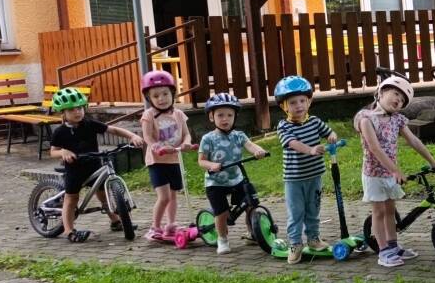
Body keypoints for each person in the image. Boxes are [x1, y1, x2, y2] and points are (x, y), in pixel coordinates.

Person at [357, 75, 435, 268]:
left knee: (390, 211)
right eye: (396, 94)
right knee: (379, 212)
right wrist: (395, 170)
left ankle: (393, 246)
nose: (399, 100)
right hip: (373, 175)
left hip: (390, 174)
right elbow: (375, 148)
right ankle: (383, 252)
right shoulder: (366, 119)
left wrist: (432, 161)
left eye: (403, 100)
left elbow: (413, 141)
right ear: (381, 92)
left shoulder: (397, 119)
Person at [47, 87, 144, 242]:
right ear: (63, 113)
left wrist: (132, 136)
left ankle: (116, 221)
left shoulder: (89, 124)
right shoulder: (60, 132)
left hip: (94, 165)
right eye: (71, 110)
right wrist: (63, 152)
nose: (77, 112)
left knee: (104, 195)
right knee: (71, 198)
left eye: (79, 108)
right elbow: (52, 152)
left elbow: (113, 130)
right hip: (75, 169)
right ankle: (68, 230)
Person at [274, 75, 339, 263]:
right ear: (284, 106)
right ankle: (295, 244)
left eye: (302, 101)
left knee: (313, 210)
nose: (299, 106)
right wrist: (310, 150)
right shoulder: (284, 126)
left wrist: (332, 136)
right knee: (296, 213)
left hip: (314, 175)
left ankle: (313, 239)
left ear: (309, 102)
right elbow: (292, 143)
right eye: (293, 102)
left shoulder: (315, 121)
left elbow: (329, 132)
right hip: (294, 179)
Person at [196, 93, 267, 254]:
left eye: (229, 115)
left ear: (235, 117)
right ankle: (222, 239)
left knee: (250, 203)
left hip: (236, 179)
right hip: (215, 182)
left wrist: (259, 151)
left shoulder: (238, 136)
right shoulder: (208, 139)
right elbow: (201, 161)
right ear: (211, 117)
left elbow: (250, 145)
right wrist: (212, 165)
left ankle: (252, 232)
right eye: (220, 115)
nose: (225, 119)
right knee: (221, 213)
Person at [139, 70, 191, 241]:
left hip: (174, 159)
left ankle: (171, 224)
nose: (161, 98)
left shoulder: (178, 114)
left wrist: (186, 143)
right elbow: (148, 137)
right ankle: (155, 227)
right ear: (149, 98)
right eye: (156, 96)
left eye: (165, 94)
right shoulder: (149, 115)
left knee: (174, 195)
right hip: (157, 161)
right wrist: (157, 146)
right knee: (164, 196)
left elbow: (186, 134)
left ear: (172, 94)